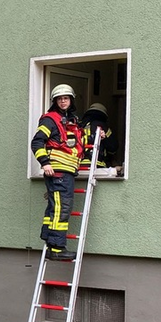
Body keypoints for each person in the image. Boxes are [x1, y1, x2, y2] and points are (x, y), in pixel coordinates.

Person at [31, 84, 83, 262]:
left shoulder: (71, 120)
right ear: (55, 101)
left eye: (66, 98)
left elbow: (77, 143)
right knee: (62, 209)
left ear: (71, 100)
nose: (63, 101)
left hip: (66, 172)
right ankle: (57, 249)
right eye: (60, 99)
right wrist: (45, 163)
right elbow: (37, 142)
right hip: (57, 172)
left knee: (55, 207)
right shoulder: (50, 120)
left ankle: (48, 238)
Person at [79, 102, 118, 169]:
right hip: (97, 165)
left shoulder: (79, 126)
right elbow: (113, 148)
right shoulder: (103, 127)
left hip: (78, 165)